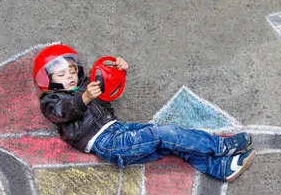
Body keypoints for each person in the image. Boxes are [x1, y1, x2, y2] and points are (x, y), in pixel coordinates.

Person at [33, 44, 255, 182]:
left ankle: (220, 168)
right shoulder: (51, 101)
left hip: (118, 130)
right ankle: (219, 147)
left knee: (172, 144)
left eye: (71, 70)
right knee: (164, 134)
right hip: (107, 143)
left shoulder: (86, 83)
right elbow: (62, 113)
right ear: (47, 80)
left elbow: (109, 86)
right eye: (61, 74)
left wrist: (117, 68)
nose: (69, 76)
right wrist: (85, 98)